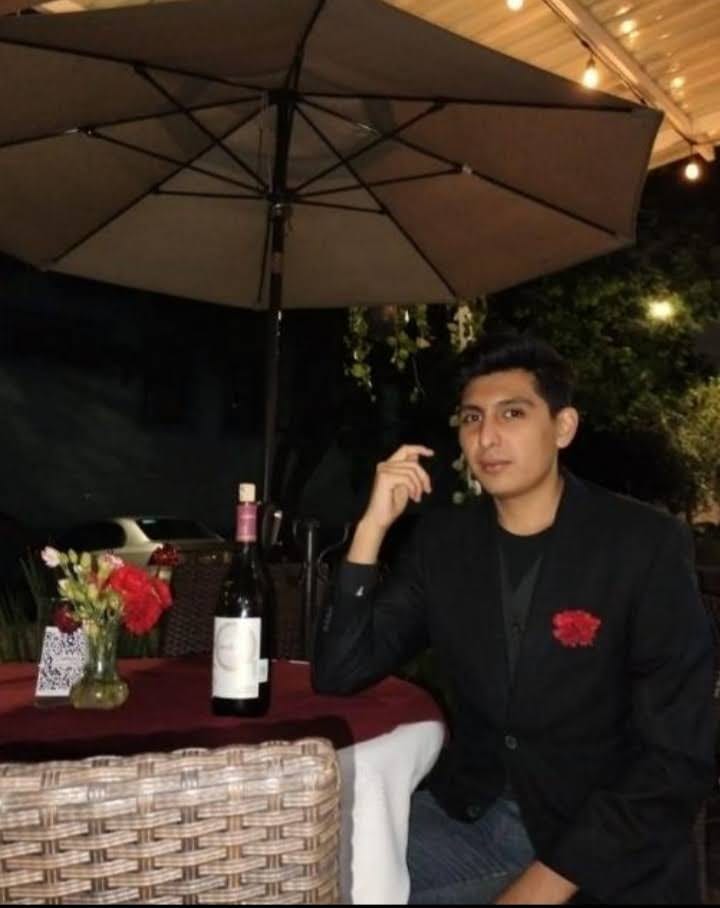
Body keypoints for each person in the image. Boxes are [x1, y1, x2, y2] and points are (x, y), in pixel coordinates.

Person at [312, 333, 716, 904]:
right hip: (469, 813)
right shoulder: (445, 542)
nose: (487, 436)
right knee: (303, 876)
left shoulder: (639, 545)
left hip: (594, 837)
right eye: (472, 417)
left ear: (564, 427)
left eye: (513, 413)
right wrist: (372, 529)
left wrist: (544, 883)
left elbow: (678, 755)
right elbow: (340, 671)